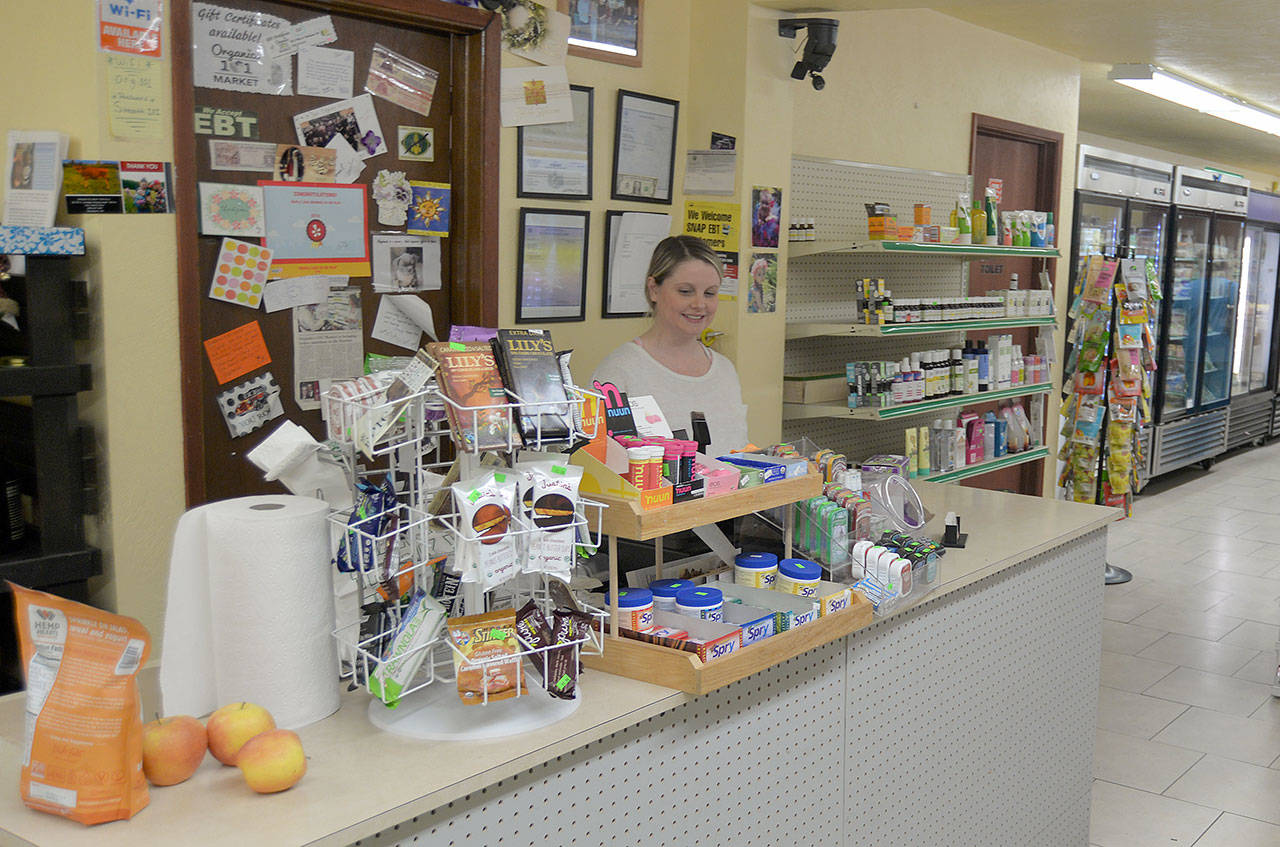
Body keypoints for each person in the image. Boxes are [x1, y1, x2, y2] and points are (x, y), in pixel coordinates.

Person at [592, 235, 748, 458]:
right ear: (654, 289)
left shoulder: (725, 370)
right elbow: (604, 464)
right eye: (685, 291)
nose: (699, 304)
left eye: (710, 293)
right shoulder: (619, 372)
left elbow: (739, 451)